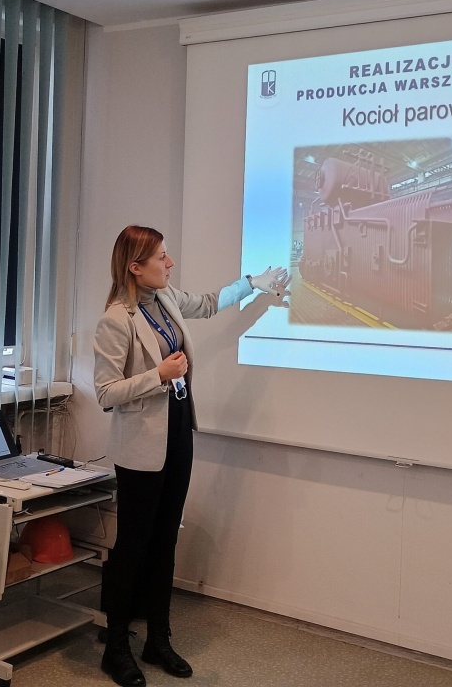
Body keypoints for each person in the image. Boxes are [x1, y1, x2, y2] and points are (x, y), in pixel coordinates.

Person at [93, 225, 289, 687]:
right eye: (162, 256)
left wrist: (252, 284)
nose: (170, 262)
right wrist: (158, 375)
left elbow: (207, 303)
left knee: (165, 540)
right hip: (141, 445)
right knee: (133, 546)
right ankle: (116, 647)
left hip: (179, 430)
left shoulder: (164, 298)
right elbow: (104, 393)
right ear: (135, 267)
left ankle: (158, 639)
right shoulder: (116, 320)